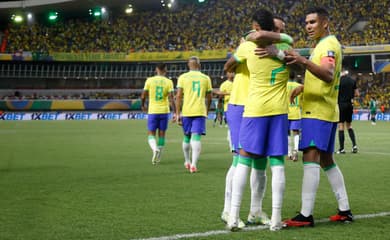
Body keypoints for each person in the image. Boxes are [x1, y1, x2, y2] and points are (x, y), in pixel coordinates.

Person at [284, 6, 354, 227]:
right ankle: (344, 209)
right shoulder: (324, 45)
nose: (308, 27)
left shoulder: (328, 45)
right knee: (326, 159)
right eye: (306, 23)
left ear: (325, 23)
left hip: (318, 111)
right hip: (325, 110)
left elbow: (327, 74)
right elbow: (325, 78)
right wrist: (304, 87)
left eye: (312, 22)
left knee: (310, 157)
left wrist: (301, 60)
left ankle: (306, 215)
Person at [225, 9, 293, 231]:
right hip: (279, 111)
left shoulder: (246, 47)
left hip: (254, 110)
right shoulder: (286, 49)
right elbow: (298, 63)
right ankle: (275, 219)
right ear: (275, 30)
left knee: (243, 161)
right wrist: (280, 49)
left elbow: (231, 62)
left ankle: (233, 216)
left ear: (257, 27)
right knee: (277, 165)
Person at [174, 56, 212, 173]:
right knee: (196, 137)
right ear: (199, 65)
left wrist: (177, 113)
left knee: (186, 137)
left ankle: (187, 160)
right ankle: (194, 165)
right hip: (200, 111)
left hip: (187, 111)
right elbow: (209, 97)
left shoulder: (183, 77)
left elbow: (179, 96)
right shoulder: (206, 78)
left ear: (188, 65)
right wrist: (207, 110)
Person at [141, 63, 175, 165]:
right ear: (165, 70)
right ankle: (158, 158)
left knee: (151, 134)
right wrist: (175, 112)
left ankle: (154, 149)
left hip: (153, 111)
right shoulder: (169, 82)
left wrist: (143, 106)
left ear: (156, 69)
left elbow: (143, 96)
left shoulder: (149, 80)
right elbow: (171, 98)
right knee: (162, 134)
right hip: (164, 111)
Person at [337, 67, 359, 154]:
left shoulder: (338, 81)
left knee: (341, 126)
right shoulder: (352, 81)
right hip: (349, 104)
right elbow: (357, 94)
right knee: (349, 126)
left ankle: (342, 149)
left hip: (341, 105)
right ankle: (354, 146)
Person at [287, 71, 302, 161]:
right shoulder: (299, 86)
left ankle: (289, 153)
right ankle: (295, 150)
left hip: (286, 112)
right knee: (296, 132)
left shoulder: (285, 85)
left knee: (287, 133)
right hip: (296, 112)